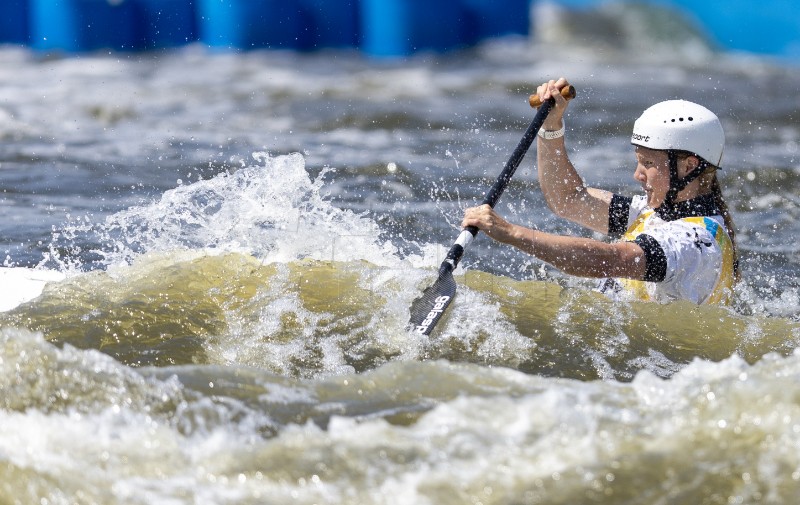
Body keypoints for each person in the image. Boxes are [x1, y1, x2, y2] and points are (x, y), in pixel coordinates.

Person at [461, 77, 739, 305]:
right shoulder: (652, 213)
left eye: (649, 164)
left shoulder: (695, 241)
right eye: (638, 160)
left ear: (689, 166)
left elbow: (612, 259)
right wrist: (551, 127)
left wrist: (512, 233)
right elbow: (568, 199)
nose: (637, 174)